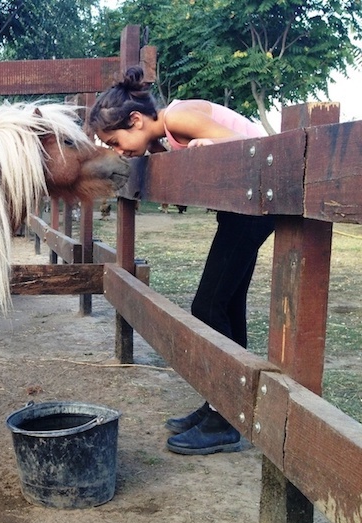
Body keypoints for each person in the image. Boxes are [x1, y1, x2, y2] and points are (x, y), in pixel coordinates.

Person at [88, 66, 275, 455]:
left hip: (260, 201)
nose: (119, 151)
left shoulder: (177, 116)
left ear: (136, 119)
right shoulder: (162, 137)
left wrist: (213, 148)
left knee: (207, 306)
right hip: (244, 208)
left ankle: (223, 419)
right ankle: (223, 407)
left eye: (116, 140)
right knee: (227, 305)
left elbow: (250, 146)